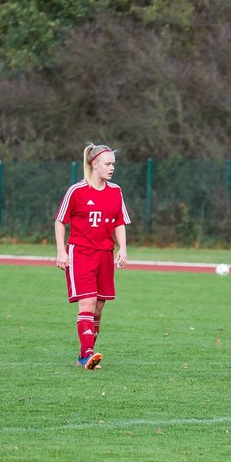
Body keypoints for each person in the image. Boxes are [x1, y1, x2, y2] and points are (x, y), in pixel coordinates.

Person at [55, 142, 130, 370]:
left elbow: (119, 221)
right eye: (107, 164)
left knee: (99, 306)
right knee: (87, 303)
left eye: (113, 164)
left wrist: (123, 249)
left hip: (105, 254)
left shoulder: (115, 191)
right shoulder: (76, 191)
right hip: (81, 253)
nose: (111, 168)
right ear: (94, 164)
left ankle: (84, 355)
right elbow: (60, 220)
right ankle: (87, 354)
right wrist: (60, 251)